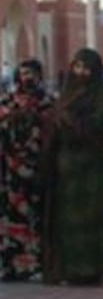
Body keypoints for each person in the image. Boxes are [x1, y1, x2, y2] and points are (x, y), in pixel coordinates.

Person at [42, 49, 103, 285]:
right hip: (67, 167)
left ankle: (95, 269)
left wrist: (71, 122)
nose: (81, 72)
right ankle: (69, 269)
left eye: (86, 68)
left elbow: (101, 125)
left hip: (93, 165)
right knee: (68, 219)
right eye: (77, 67)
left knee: (94, 217)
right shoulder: (66, 94)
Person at [0, 59, 55, 281]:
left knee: (33, 216)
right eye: (22, 73)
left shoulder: (46, 103)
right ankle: (10, 264)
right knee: (8, 219)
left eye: (31, 73)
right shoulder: (8, 101)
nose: (26, 78)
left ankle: (32, 265)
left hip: (34, 170)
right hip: (8, 173)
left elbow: (49, 132)